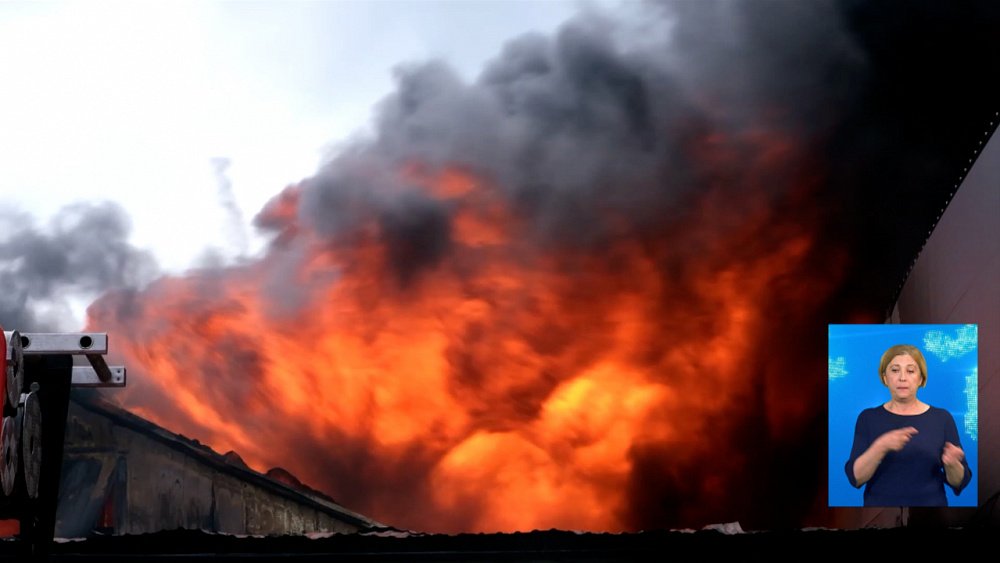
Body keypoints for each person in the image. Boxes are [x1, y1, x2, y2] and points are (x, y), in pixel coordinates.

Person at [844, 344, 971, 506]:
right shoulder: (868, 418)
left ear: (921, 379)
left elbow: (959, 482)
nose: (902, 378)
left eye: (910, 371)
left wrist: (952, 464)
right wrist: (881, 446)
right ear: (884, 377)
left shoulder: (942, 418)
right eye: (895, 370)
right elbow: (855, 478)